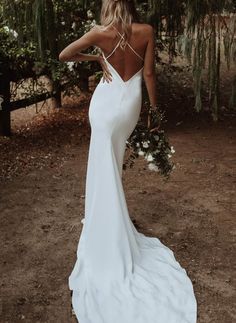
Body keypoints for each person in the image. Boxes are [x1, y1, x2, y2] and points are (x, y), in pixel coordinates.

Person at [59, 0, 197, 322]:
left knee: (102, 164)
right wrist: (154, 114)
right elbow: (148, 74)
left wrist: (97, 57)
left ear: (109, 4)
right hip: (129, 105)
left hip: (105, 104)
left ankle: (105, 228)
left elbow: (64, 55)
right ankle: (107, 220)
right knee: (112, 164)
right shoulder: (146, 31)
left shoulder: (98, 32)